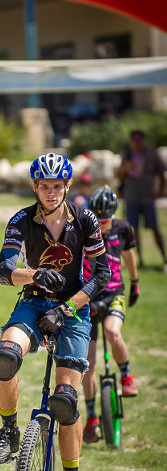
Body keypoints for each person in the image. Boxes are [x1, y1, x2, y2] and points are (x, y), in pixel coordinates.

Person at [0, 152, 110, 471]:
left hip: (72, 308)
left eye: (58, 186)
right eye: (44, 186)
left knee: (65, 402)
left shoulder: (85, 220)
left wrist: (67, 308)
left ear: (68, 186)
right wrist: (34, 275)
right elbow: (3, 267)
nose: (51, 192)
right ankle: (9, 430)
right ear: (35, 187)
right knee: (4, 357)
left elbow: (101, 273)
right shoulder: (22, 220)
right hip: (34, 301)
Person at [82, 185, 140, 443]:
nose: (101, 225)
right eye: (97, 219)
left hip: (114, 293)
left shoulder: (123, 229)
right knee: (89, 363)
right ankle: (92, 417)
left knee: (112, 331)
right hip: (89, 298)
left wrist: (135, 282)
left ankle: (127, 376)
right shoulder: (85, 229)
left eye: (104, 220)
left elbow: (128, 255)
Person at [117, 129, 167, 272]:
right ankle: (140, 261)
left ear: (143, 140)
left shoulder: (152, 154)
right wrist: (124, 169)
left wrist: (159, 192)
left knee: (154, 228)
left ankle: (164, 259)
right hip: (131, 197)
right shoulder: (127, 155)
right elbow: (119, 177)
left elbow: (162, 173)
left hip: (147, 198)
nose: (136, 143)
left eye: (139, 140)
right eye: (134, 140)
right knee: (134, 230)